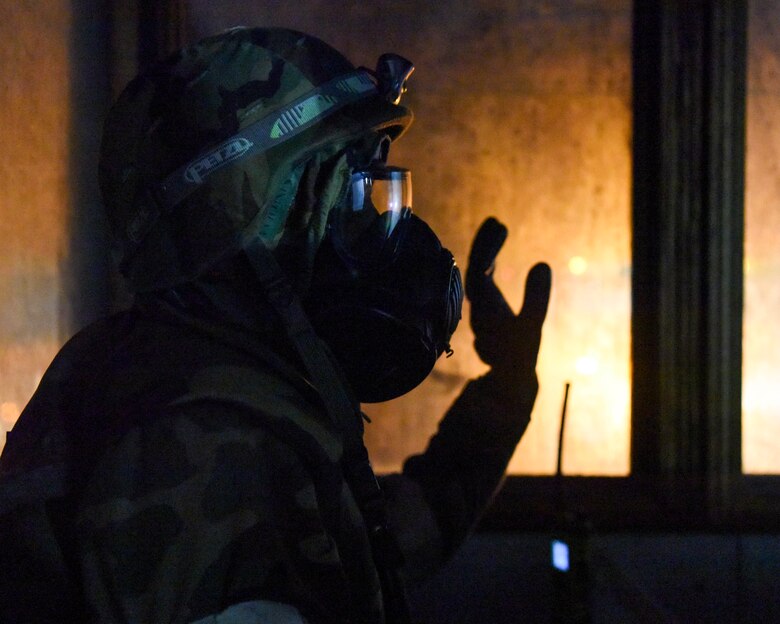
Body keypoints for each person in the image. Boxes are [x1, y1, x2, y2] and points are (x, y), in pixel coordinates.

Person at [0, 27, 551, 623]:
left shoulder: (213, 392)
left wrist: (506, 387)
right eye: (348, 194)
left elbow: (378, 542)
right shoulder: (204, 440)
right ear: (247, 215)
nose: (377, 232)